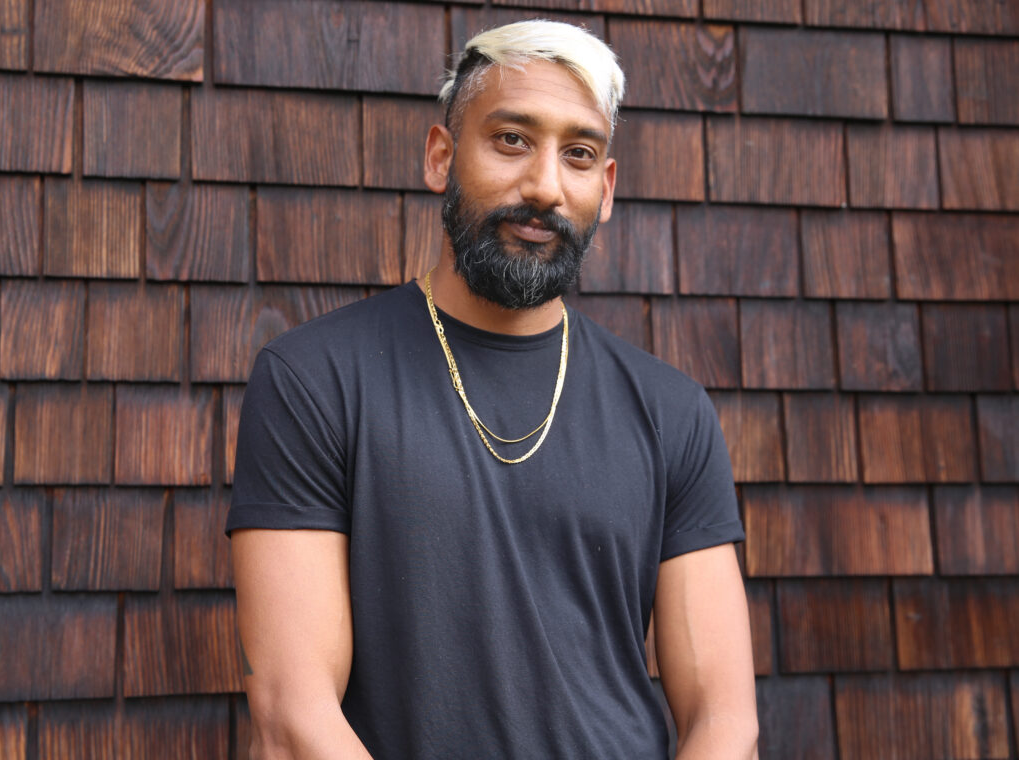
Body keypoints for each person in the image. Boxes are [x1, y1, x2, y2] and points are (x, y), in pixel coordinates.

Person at [228, 19, 758, 759]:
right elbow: (292, 715)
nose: (544, 186)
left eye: (579, 154)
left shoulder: (671, 412)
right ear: (442, 156)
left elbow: (723, 721)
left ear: (604, 189)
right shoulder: (315, 380)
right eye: (511, 139)